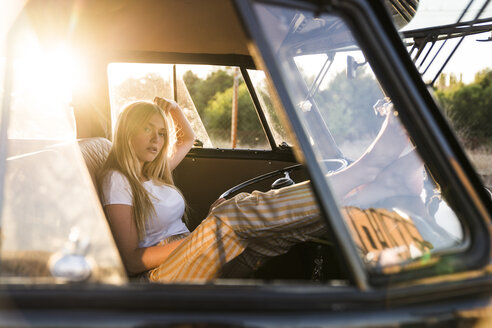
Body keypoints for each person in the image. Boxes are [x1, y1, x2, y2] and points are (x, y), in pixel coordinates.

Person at [99, 97, 422, 282]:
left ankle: (374, 190)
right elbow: (131, 260)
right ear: (127, 132)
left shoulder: (154, 172)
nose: (158, 139)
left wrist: (169, 109)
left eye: (160, 133)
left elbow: (185, 138)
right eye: (147, 130)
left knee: (275, 235)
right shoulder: (118, 180)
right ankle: (366, 167)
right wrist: (194, 240)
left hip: (190, 259)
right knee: (231, 212)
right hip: (160, 281)